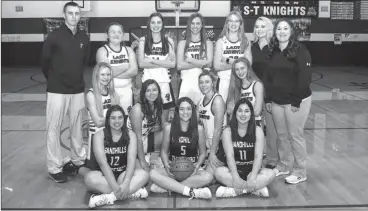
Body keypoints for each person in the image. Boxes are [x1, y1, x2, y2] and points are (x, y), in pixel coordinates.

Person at [41, 1, 90, 183]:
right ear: (64, 15)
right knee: (54, 128)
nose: (74, 17)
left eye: (77, 14)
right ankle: (54, 167)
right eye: (70, 13)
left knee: (76, 127)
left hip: (77, 89)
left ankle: (78, 160)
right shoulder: (53, 36)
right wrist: (55, 80)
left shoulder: (84, 37)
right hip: (57, 90)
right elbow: (44, 62)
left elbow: (83, 62)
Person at [265, 19, 312, 184]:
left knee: (295, 135)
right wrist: (268, 98)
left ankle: (300, 171)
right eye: (279, 28)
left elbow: (305, 77)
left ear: (291, 31)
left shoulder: (300, 50)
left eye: (285, 28)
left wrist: (296, 100)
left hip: (296, 101)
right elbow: (268, 78)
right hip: (277, 101)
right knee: (282, 135)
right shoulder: (273, 50)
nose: (282, 31)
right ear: (275, 32)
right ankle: (284, 165)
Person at [85, 105, 149, 208]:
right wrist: (115, 187)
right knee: (89, 178)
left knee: (145, 175)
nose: (117, 121)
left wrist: (127, 182)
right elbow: (102, 163)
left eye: (120, 117)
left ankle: (109, 198)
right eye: (113, 118)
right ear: (108, 120)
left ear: (124, 119)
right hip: (104, 177)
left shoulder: (130, 135)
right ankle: (131, 193)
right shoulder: (99, 135)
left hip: (123, 175)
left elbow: (131, 160)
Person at [149, 97, 213, 199]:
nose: (185, 112)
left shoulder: (199, 129)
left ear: (192, 110)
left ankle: (170, 187)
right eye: (182, 109)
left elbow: (202, 153)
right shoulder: (168, 128)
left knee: (208, 177)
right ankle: (189, 191)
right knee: (152, 173)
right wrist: (166, 166)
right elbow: (164, 152)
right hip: (173, 167)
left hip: (191, 168)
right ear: (177, 111)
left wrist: (196, 167)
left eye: (188, 109)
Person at [214, 98, 275, 198]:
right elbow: (230, 157)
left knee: (271, 174)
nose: (243, 114)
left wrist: (253, 176)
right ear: (235, 113)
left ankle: (233, 191)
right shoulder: (228, 131)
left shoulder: (258, 130)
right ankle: (254, 189)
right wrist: (236, 178)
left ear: (251, 114)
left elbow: (258, 156)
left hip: (252, 171)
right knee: (218, 172)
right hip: (235, 170)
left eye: (246, 111)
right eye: (240, 111)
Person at [138, 12, 176, 124]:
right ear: (149, 24)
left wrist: (152, 60)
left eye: (159, 22)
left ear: (163, 24)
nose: (156, 25)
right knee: (148, 118)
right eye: (153, 22)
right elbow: (141, 64)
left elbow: (172, 64)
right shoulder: (143, 40)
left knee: (163, 121)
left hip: (164, 83)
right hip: (148, 84)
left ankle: (162, 141)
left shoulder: (169, 41)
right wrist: (164, 62)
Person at [251, 17, 278, 169]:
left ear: (268, 28)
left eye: (262, 26)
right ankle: (256, 156)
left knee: (271, 127)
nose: (259, 29)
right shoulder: (251, 46)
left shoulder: (274, 47)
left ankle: (273, 158)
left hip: (270, 92)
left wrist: (270, 94)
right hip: (254, 90)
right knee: (255, 126)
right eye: (257, 26)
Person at [84, 62, 120, 173]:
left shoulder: (113, 93)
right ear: (97, 76)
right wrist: (114, 119)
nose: (106, 77)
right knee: (95, 174)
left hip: (111, 136)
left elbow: (118, 119)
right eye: (103, 74)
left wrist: (114, 120)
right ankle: (79, 168)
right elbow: (98, 122)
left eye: (108, 74)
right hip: (96, 137)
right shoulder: (91, 94)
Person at [96, 22, 138, 116]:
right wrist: (126, 66)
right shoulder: (102, 51)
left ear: (123, 35)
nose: (116, 34)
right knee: (110, 119)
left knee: (126, 119)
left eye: (119, 32)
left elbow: (134, 71)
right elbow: (105, 73)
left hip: (127, 90)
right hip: (109, 91)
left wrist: (113, 71)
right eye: (113, 32)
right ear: (107, 35)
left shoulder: (128, 50)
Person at [213, 10, 252, 102]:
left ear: (240, 24)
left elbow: (248, 64)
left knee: (240, 110)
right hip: (224, 81)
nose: (233, 24)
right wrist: (239, 65)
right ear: (227, 23)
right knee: (223, 111)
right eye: (231, 21)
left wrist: (227, 60)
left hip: (241, 81)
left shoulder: (245, 41)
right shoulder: (221, 42)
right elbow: (216, 66)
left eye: (236, 21)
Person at [127, 79, 164, 172]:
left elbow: (158, 126)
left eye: (154, 90)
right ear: (143, 93)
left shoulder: (156, 105)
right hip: (131, 143)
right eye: (148, 90)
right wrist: (142, 161)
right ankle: (140, 159)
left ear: (158, 91)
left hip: (144, 139)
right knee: (143, 173)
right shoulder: (137, 110)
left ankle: (153, 158)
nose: (152, 93)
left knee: (167, 130)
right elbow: (137, 138)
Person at [177, 13, 213, 104]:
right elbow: (179, 65)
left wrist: (190, 60)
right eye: (192, 23)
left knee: (202, 115)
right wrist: (201, 63)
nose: (195, 26)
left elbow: (209, 64)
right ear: (189, 25)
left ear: (202, 25)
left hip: (203, 84)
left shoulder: (208, 43)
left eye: (198, 23)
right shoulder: (182, 43)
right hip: (186, 83)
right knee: (185, 113)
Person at [197, 70, 226, 174]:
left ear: (213, 83)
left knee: (208, 176)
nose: (203, 85)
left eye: (206, 82)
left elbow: (218, 130)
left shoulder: (217, 101)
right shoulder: (200, 101)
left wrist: (212, 153)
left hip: (219, 147)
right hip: (206, 146)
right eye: (201, 82)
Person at [226, 57, 264, 126]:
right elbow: (229, 110)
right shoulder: (235, 86)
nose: (240, 72)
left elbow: (257, 112)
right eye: (237, 69)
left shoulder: (257, 85)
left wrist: (236, 109)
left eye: (242, 68)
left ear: (248, 68)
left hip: (254, 123)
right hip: (239, 124)